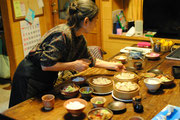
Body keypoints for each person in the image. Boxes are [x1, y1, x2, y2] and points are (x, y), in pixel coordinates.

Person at [9, 0, 125, 108]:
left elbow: (90, 60)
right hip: (30, 77)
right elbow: (46, 65)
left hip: (47, 78)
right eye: (95, 20)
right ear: (86, 21)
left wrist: (114, 66)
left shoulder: (80, 38)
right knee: (21, 111)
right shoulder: (62, 34)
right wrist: (74, 65)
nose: (96, 23)